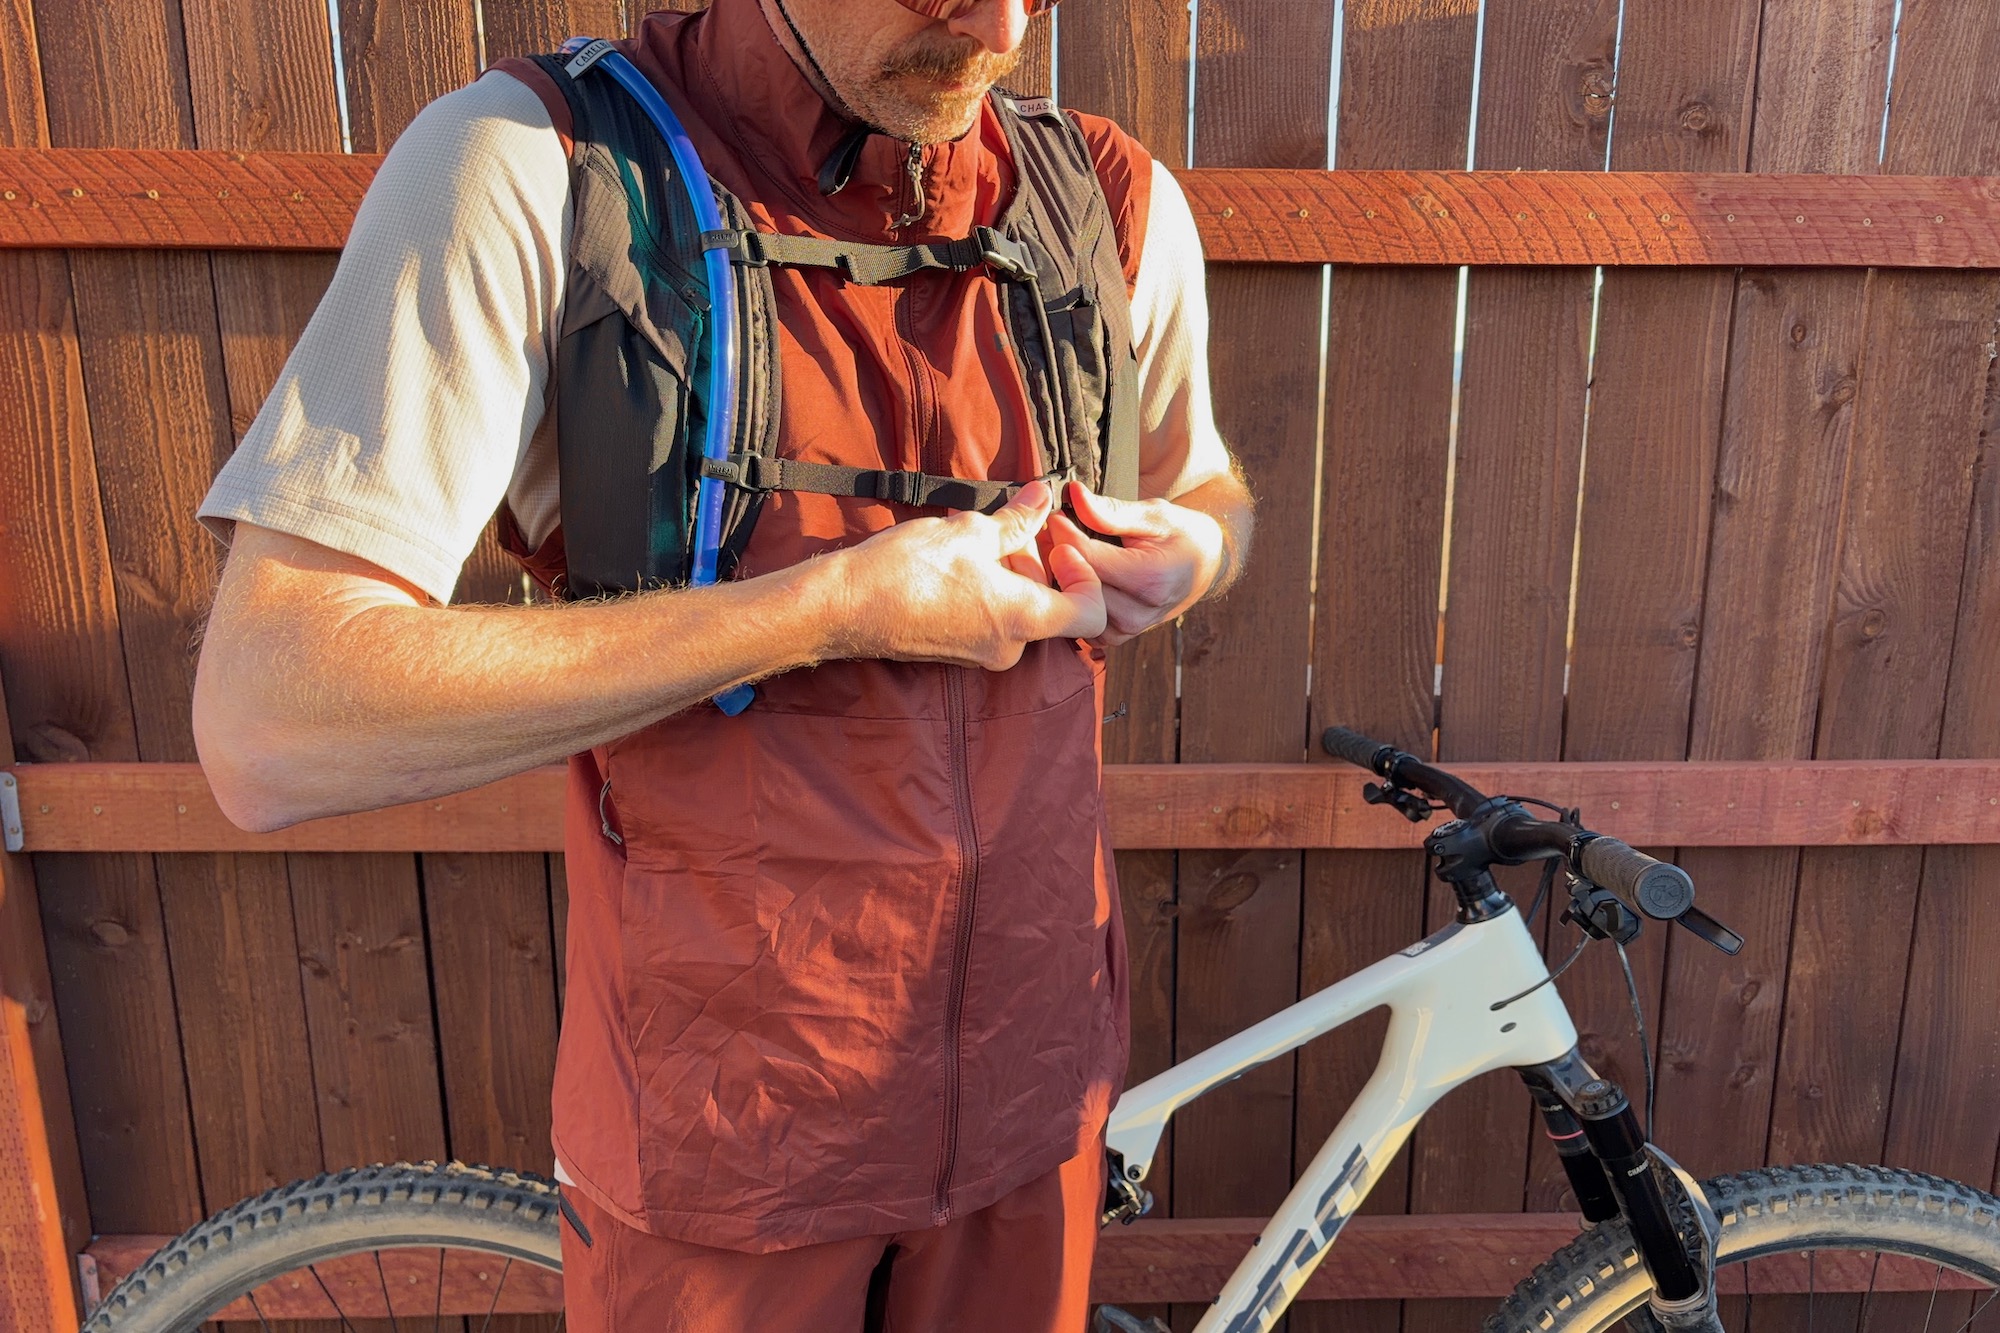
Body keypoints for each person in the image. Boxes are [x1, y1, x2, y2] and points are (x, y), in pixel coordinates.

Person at [191, 0, 1252, 1327]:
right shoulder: (538, 170)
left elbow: (1202, 482)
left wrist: (1191, 552)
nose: (990, 23)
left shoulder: (1105, 203)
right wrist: (828, 609)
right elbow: (269, 717)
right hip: (722, 1172)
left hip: (1034, 1128)